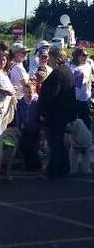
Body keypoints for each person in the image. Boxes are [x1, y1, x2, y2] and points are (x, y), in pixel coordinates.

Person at [39, 48, 77, 178]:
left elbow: (51, 96)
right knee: (60, 143)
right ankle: (63, 168)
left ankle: (54, 171)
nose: (48, 59)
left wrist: (43, 113)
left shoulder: (57, 74)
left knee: (55, 144)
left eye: (50, 57)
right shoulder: (67, 72)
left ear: (55, 58)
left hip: (56, 115)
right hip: (64, 114)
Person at [16, 78, 42, 171]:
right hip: (25, 128)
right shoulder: (21, 102)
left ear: (34, 91)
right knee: (24, 146)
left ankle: (36, 165)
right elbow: (19, 115)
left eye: (30, 92)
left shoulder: (37, 102)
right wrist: (19, 126)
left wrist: (40, 126)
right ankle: (27, 164)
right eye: (26, 92)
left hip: (35, 128)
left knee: (34, 147)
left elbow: (40, 115)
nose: (28, 94)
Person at [69, 48, 93, 129]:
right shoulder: (68, 66)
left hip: (84, 99)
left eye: (87, 55)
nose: (86, 57)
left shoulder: (88, 66)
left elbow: (78, 83)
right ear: (77, 56)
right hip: (72, 99)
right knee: (73, 121)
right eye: (84, 55)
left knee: (86, 121)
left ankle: (88, 138)